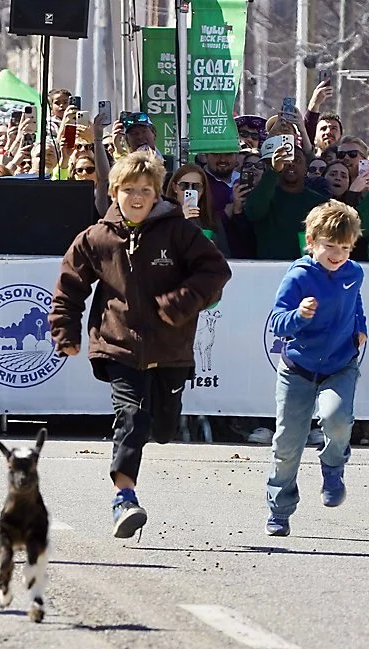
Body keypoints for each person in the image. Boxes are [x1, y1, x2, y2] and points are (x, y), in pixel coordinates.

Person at [49, 151, 232, 539]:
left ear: (157, 194)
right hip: (118, 345)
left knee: (163, 427)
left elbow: (216, 270)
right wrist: (65, 331)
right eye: (128, 189)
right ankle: (124, 498)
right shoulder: (96, 237)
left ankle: (156, 432)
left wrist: (181, 301)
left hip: (171, 349)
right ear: (114, 192)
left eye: (145, 190)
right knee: (132, 417)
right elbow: (69, 288)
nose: (136, 197)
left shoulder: (179, 231)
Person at [264, 201, 367, 537]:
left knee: (337, 418)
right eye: (330, 246)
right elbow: (278, 322)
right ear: (311, 241)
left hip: (340, 364)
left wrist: (360, 327)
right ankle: (279, 509)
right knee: (287, 444)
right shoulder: (298, 276)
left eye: (345, 247)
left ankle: (333, 465)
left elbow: (356, 302)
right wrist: (299, 315)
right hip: (298, 368)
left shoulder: (354, 273)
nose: (337, 254)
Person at [245, 139, 329, 259]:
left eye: (297, 160)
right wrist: (273, 171)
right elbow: (253, 212)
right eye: (286, 159)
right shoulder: (265, 194)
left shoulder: (319, 203)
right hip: (267, 269)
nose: (291, 164)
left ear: (306, 169)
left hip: (308, 270)